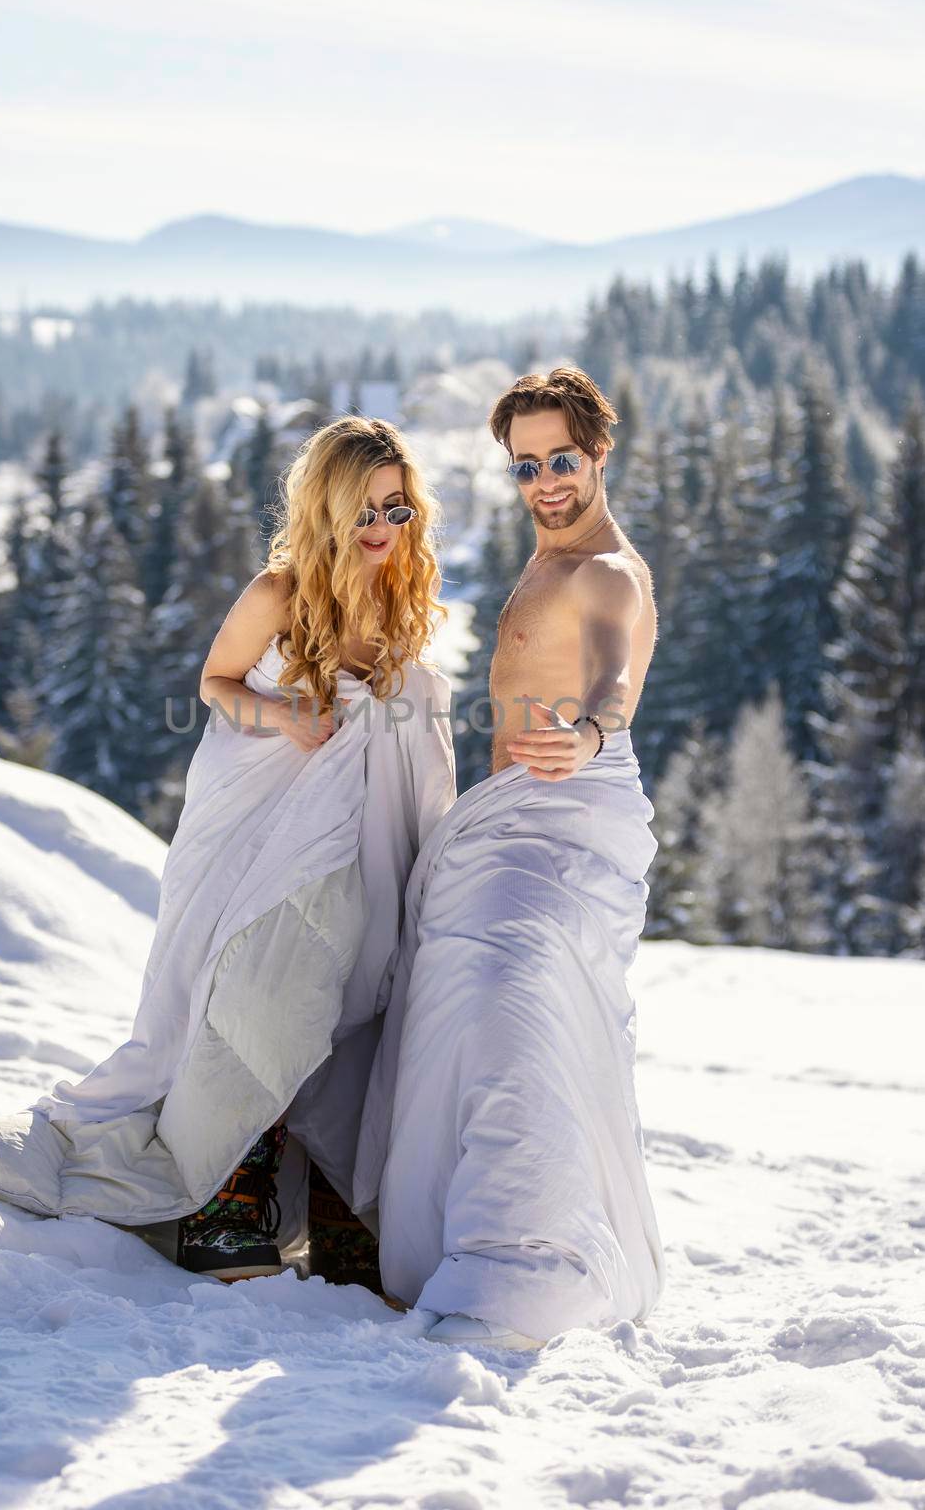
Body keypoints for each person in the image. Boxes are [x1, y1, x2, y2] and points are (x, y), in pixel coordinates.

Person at [0, 417, 458, 1295]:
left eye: (397, 508)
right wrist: (287, 718)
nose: (381, 527)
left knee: (349, 1007)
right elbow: (214, 685)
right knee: (258, 991)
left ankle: (333, 1202)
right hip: (263, 830)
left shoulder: (399, 602)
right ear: (325, 504)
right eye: (364, 508)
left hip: (363, 837)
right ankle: (222, 1190)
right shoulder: (277, 592)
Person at [353, 366, 665, 1350]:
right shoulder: (544, 556)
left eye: (560, 459)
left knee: (508, 994)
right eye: (525, 464)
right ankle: (438, 1232)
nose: (544, 480)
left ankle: (518, 1265)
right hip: (505, 815)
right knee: (453, 1004)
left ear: (598, 452)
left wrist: (588, 728)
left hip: (563, 817)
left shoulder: (606, 570)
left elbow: (612, 669)